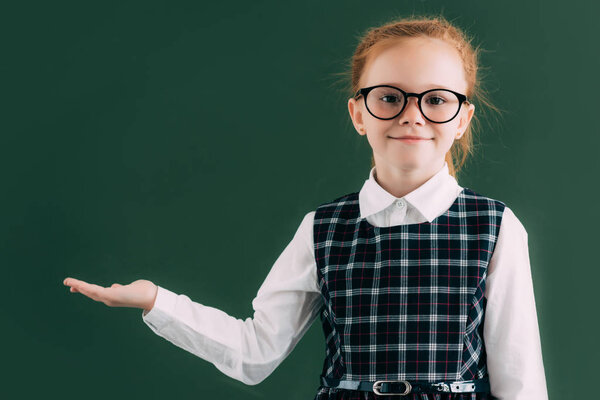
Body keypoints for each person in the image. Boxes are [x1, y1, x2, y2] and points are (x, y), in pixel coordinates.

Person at [63, 14, 548, 400]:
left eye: (437, 100)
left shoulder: (495, 226)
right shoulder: (323, 228)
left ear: (462, 118)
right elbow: (255, 354)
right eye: (389, 97)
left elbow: (520, 381)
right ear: (359, 113)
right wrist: (155, 300)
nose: (411, 115)